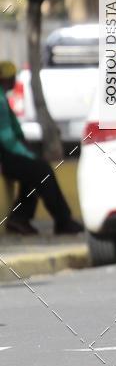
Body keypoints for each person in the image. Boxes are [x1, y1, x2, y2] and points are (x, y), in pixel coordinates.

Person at [0, 61, 83, 235]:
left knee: (35, 173)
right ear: (6, 79)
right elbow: (7, 139)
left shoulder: (3, 97)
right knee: (42, 170)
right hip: (5, 155)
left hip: (8, 152)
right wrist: (28, 154)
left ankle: (19, 218)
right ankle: (63, 221)